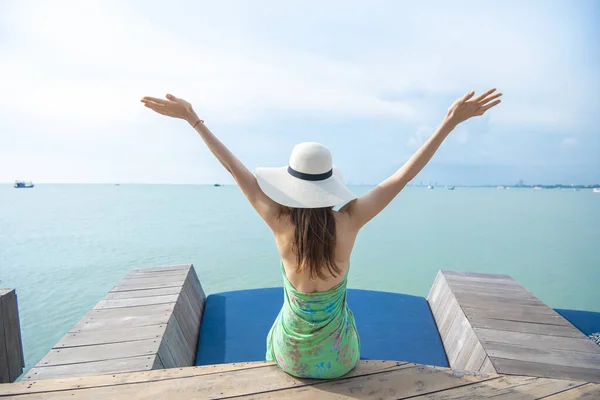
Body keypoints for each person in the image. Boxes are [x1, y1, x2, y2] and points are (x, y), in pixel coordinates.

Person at [141, 88, 502, 378]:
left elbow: (234, 170)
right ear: (328, 185)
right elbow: (402, 176)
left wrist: (194, 119)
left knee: (278, 327)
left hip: (292, 359)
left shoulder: (278, 222)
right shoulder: (350, 220)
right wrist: (450, 122)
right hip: (340, 359)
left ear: (290, 185)